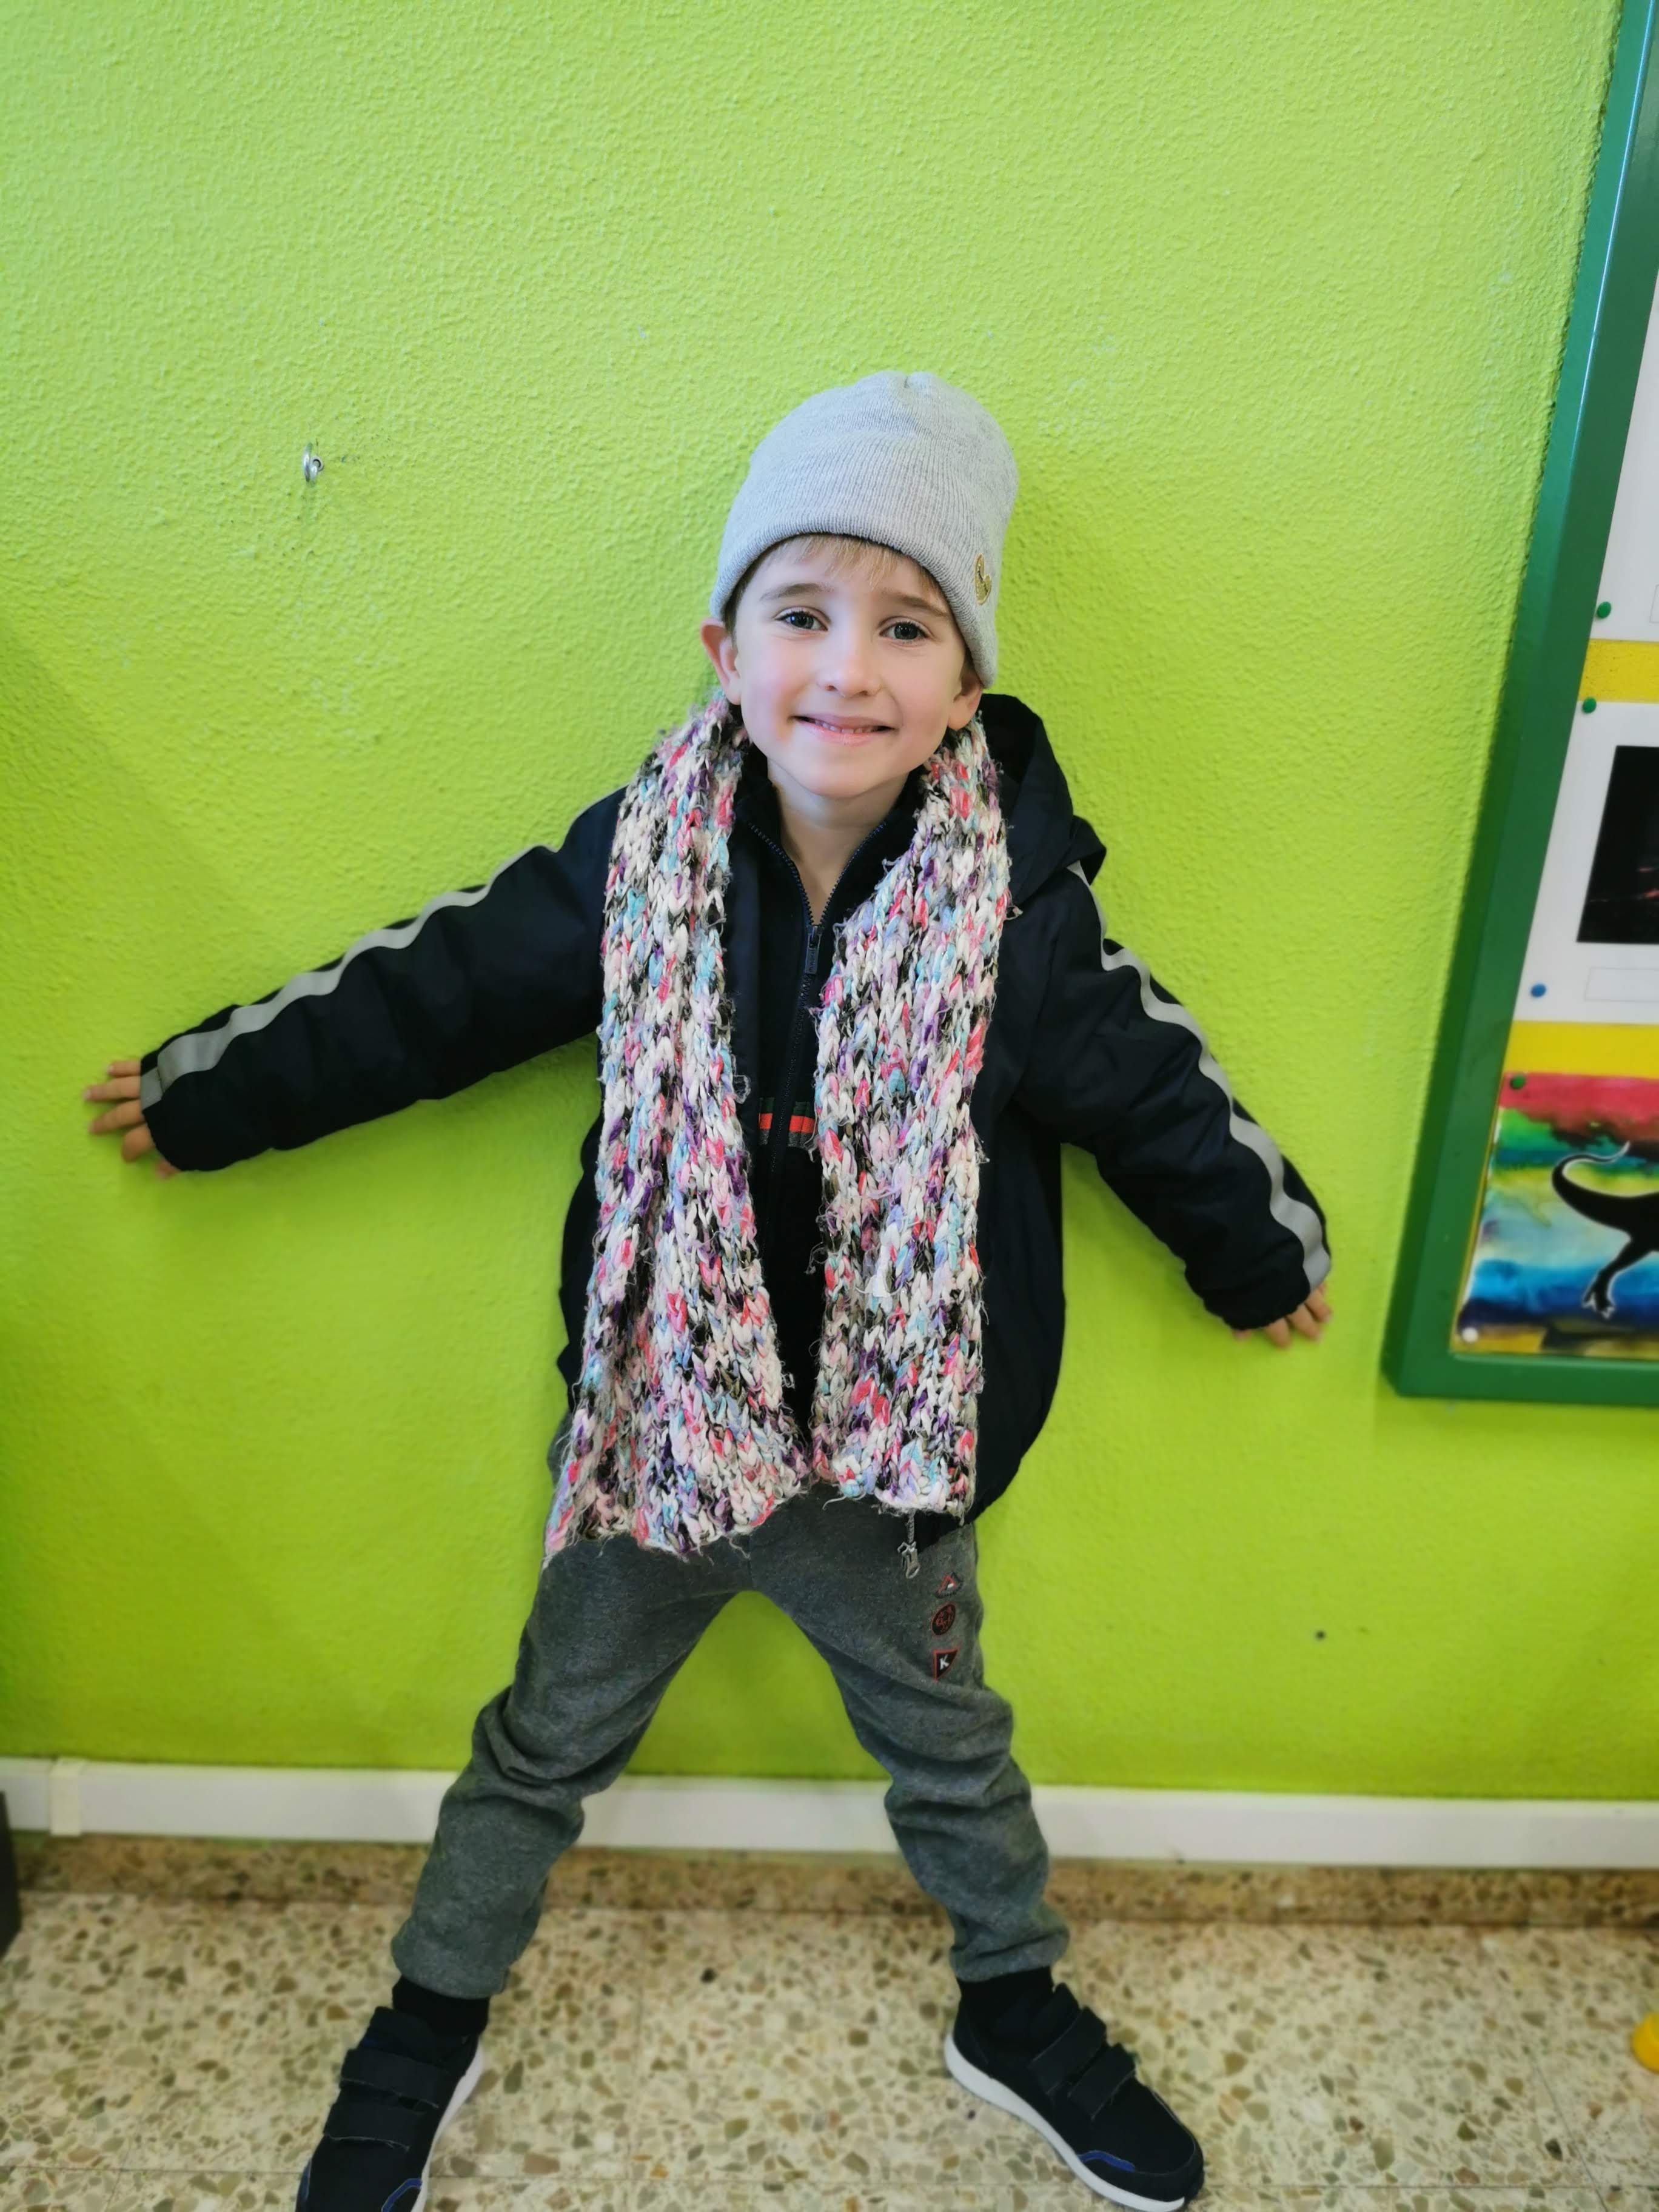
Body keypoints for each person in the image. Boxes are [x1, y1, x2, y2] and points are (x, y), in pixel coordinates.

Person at [85, 370, 1332, 2211]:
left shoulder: (1022, 918)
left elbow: (1156, 1090)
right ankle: (430, 2015)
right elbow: (434, 990)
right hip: (660, 1437)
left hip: (888, 1479)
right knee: (541, 1743)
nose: (849, 669)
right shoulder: (642, 861)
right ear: (726, 650)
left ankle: (1013, 2005)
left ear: (965, 682)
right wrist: (212, 1097)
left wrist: (1260, 1252)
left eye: (907, 626)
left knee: (955, 1755)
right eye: (802, 613)